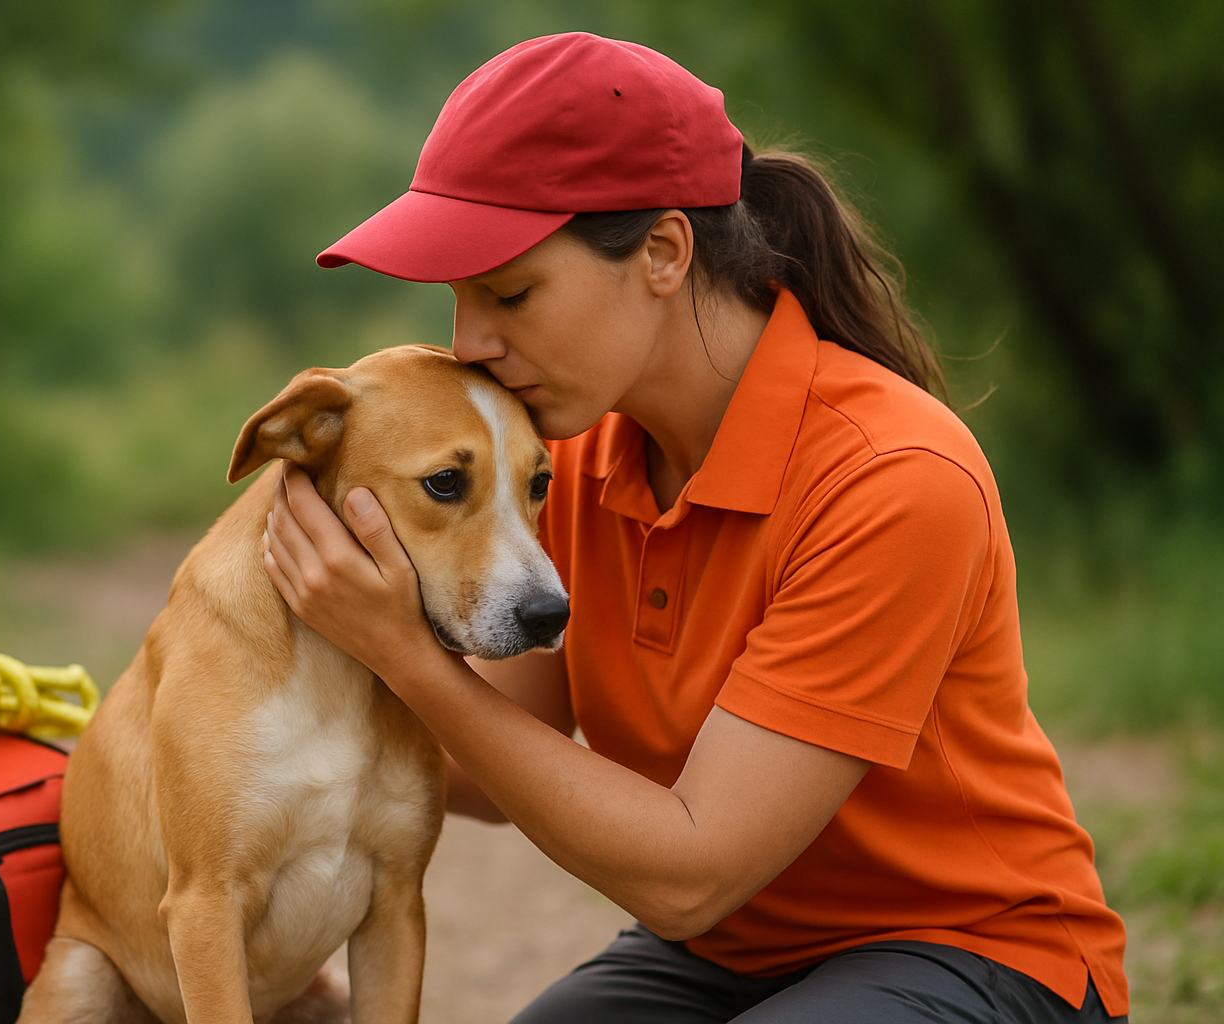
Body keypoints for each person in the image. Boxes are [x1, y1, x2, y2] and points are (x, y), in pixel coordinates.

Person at [260, 32, 1128, 1024]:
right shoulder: (571, 459)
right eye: (456, 301)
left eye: (509, 294)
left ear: (665, 253)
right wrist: (169, 736)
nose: (472, 345)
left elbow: (691, 874)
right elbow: (491, 755)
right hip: (730, 957)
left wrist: (404, 654)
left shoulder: (891, 475)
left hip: (973, 949)